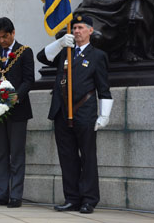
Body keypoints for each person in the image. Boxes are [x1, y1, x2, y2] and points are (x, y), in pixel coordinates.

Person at [37, 15, 113, 214]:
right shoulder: (65, 52)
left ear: (90, 31)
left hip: (84, 111)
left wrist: (104, 115)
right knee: (67, 157)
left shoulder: (98, 56)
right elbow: (42, 57)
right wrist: (59, 43)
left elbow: (103, 87)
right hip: (62, 111)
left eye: (80, 27)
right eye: (74, 28)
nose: (76, 31)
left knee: (88, 157)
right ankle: (72, 198)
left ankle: (89, 199)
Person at [0, 17, 35, 208]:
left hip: (18, 111)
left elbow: (29, 80)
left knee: (17, 155)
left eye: (4, 36)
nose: (2, 41)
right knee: (1, 154)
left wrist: (15, 97)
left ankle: (15, 195)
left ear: (13, 33)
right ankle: (0, 194)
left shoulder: (25, 52)